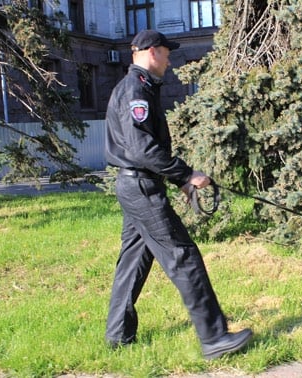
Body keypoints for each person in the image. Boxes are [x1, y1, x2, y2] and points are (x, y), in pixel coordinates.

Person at [103, 29, 252, 359]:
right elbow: (143, 149)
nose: (169, 60)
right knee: (184, 256)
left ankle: (117, 336)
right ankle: (214, 339)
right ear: (152, 52)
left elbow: (142, 150)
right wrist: (186, 174)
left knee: (132, 261)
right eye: (167, 54)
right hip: (140, 187)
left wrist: (179, 182)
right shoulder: (135, 90)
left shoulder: (138, 87)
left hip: (136, 184)